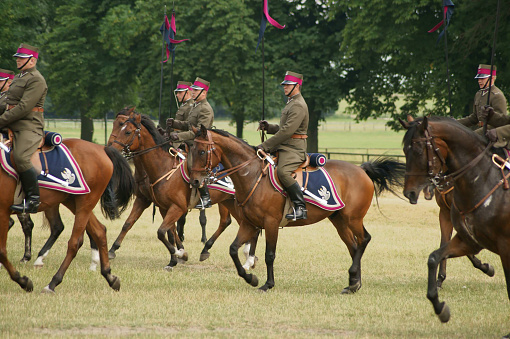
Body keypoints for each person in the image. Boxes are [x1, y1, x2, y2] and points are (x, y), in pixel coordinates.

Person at [0, 43, 48, 213]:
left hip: (28, 127)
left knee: (20, 157)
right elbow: (6, 103)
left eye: (21, 58)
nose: (18, 60)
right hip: (12, 124)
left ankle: (33, 200)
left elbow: (24, 108)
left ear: (32, 61)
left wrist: (1, 121)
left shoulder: (37, 79)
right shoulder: (20, 77)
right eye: (17, 58)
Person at [258, 71, 309, 220]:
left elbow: (287, 131)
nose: (285, 87)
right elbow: (284, 127)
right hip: (285, 145)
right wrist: (269, 128)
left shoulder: (298, 105)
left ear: (297, 86)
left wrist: (264, 146)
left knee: (283, 172)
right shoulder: (291, 102)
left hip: (294, 148)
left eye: (288, 85)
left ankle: (300, 207)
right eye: (284, 85)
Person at [166, 77, 214, 208]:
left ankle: (205, 197)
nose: (192, 92)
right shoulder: (196, 106)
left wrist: (178, 136)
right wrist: (174, 124)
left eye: (196, 90)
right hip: (191, 141)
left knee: (193, 165)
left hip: (199, 143)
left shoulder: (205, 108)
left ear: (203, 92)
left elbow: (198, 132)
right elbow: (189, 125)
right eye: (192, 90)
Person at [458, 64, 508, 130]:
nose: (479, 81)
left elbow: (501, 122)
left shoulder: (497, 95)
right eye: (478, 79)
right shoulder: (479, 94)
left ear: (492, 78)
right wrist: (455, 122)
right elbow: (474, 118)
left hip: (492, 134)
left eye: (482, 78)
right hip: (479, 130)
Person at [166, 81, 194, 147]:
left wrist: (173, 133)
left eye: (180, 92)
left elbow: (187, 126)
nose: (177, 95)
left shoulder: (191, 106)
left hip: (184, 138)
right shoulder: (183, 105)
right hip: (176, 135)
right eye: (177, 92)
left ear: (187, 92)